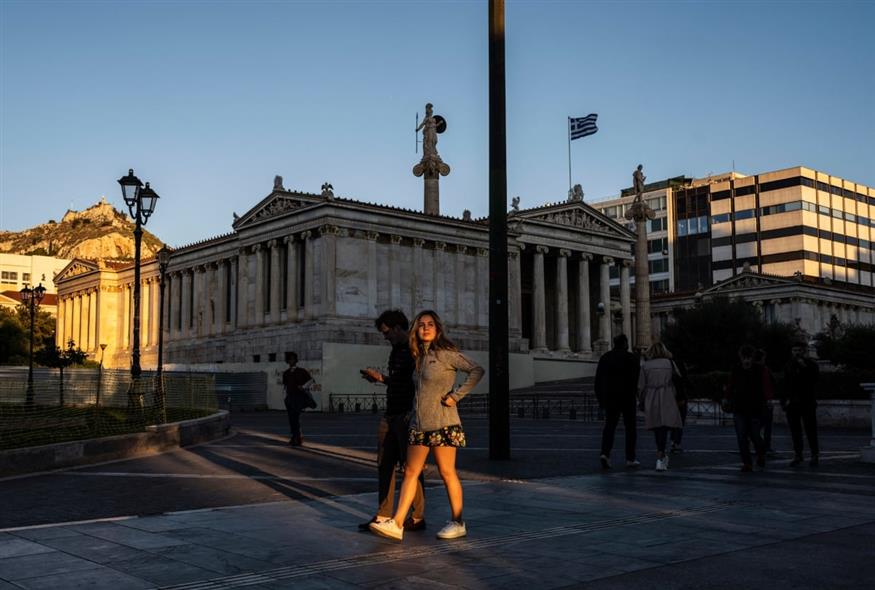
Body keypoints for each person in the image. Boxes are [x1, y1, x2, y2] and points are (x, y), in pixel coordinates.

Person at [369, 310, 484, 541]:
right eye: (421, 324)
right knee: (410, 472)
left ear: (438, 328)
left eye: (430, 324)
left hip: (443, 422)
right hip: (419, 424)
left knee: (446, 472)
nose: (426, 328)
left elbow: (476, 369)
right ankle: (397, 523)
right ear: (416, 330)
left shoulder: (445, 353)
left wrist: (456, 396)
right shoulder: (418, 356)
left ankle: (458, 521)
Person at [358, 310, 426, 533]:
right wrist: (380, 379)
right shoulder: (396, 350)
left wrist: (414, 413)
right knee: (384, 464)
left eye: (387, 332)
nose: (385, 337)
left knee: (411, 468)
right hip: (391, 413)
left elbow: (420, 384)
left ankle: (417, 516)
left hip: (407, 414)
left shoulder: (415, 350)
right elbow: (398, 381)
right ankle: (382, 514)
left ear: (398, 328)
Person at [595, 334, 641, 469]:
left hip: (611, 398)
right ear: (626, 344)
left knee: (609, 426)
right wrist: (639, 397)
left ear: (614, 343)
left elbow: (599, 381)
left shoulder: (605, 358)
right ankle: (630, 458)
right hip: (628, 397)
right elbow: (637, 381)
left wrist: (601, 400)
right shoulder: (632, 358)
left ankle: (605, 454)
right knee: (630, 428)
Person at [638, 342, 683, 471]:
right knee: (667, 425)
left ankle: (660, 454)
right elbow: (678, 380)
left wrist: (641, 400)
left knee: (658, 428)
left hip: (652, 397)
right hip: (667, 395)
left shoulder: (645, 366)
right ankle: (663, 453)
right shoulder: (670, 363)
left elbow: (641, 386)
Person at [725, 345, 768, 472]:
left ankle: (760, 453)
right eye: (744, 358)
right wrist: (726, 398)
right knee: (741, 436)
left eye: (749, 358)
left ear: (752, 358)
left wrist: (768, 400)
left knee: (755, 435)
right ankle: (747, 463)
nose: (747, 361)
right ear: (741, 358)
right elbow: (730, 385)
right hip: (739, 408)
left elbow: (766, 386)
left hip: (755, 407)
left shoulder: (760, 369)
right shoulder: (736, 369)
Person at [782, 341, 820, 467]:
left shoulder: (811, 364)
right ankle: (798, 454)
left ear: (803, 351)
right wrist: (784, 401)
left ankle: (814, 454)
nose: (796, 353)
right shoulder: (789, 365)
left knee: (811, 429)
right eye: (794, 350)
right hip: (792, 403)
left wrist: (804, 367)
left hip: (807, 402)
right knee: (795, 430)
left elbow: (814, 379)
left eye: (798, 350)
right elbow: (786, 384)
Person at [282, 351, 314, 446]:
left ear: (296, 360)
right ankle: (297, 436)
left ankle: (296, 437)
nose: (291, 361)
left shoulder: (302, 371)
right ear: (287, 361)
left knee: (295, 417)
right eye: (289, 359)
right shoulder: (286, 373)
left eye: (293, 359)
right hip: (290, 398)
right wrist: (285, 398)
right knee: (291, 418)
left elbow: (311, 380)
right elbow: (285, 386)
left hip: (299, 397)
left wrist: (303, 387)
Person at [753, 348, 777, 455]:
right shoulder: (764, 369)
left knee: (757, 424)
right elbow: (768, 385)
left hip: (754, 401)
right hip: (764, 401)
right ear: (762, 358)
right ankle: (765, 445)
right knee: (766, 424)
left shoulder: (750, 369)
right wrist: (769, 399)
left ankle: (759, 443)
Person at [669, 357, 690, 454]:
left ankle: (673, 441)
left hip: (671, 399)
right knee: (680, 422)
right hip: (680, 400)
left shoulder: (671, 375)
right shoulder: (679, 376)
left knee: (674, 422)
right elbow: (682, 387)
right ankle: (676, 442)